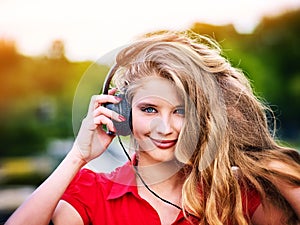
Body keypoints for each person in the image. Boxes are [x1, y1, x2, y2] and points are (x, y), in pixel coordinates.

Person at [5, 31, 300, 225]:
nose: (164, 127)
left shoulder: (230, 191)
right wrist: (78, 155)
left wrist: (259, 153)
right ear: (121, 113)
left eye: (180, 111)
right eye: (149, 109)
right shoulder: (90, 193)